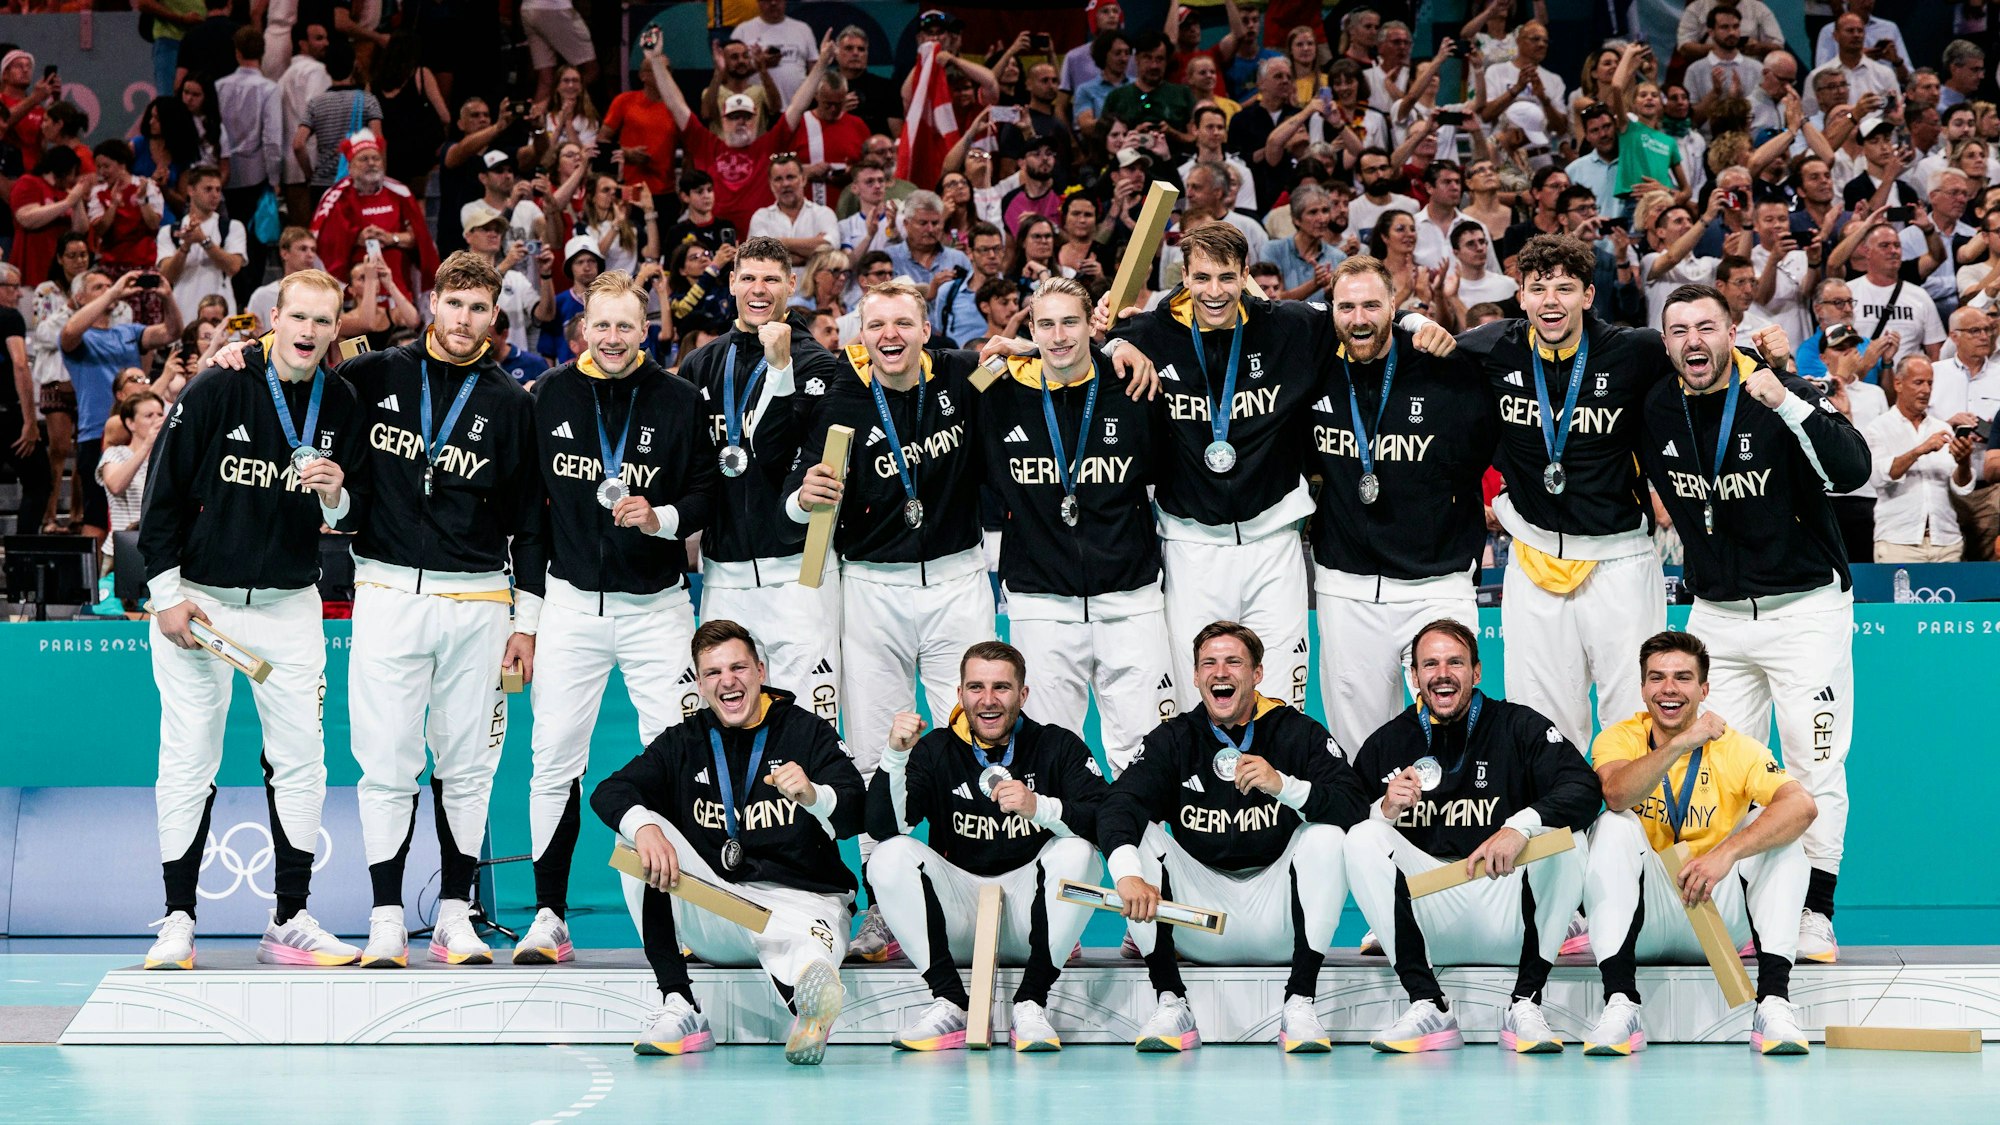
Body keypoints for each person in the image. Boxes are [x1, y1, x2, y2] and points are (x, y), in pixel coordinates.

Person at [216, 252, 546, 966]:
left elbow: (531, 525)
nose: (464, 320)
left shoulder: (514, 404)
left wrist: (529, 623)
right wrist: (245, 353)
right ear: (431, 302)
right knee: (385, 764)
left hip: (481, 599)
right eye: (454, 303)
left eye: (478, 309)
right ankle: (389, 915)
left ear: (496, 318)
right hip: (388, 592)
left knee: (468, 767)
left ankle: (456, 914)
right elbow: (296, 380)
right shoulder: (371, 376)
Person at [137, 269, 363, 972]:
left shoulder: (343, 401)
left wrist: (337, 498)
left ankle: (290, 918)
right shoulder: (219, 384)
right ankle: (177, 919)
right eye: (297, 316)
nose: (308, 330)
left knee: (303, 761)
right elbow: (162, 494)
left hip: (290, 605)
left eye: (323, 321)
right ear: (273, 318)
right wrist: (167, 593)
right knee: (189, 756)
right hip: (199, 605)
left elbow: (344, 519)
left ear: (334, 329)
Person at [1637, 288, 1870, 964]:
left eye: (1706, 326)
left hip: (1805, 610)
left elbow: (1852, 471)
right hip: (1717, 616)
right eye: (1678, 329)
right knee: (1716, 773)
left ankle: (1815, 912)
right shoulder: (1657, 407)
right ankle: (1731, 910)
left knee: (1813, 765)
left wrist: (1789, 398)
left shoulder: (1777, 391)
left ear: (1732, 331)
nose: (1693, 340)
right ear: (1666, 341)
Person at [512, 270, 720, 965]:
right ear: (580, 329)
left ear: (646, 330)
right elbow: (529, 518)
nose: (611, 338)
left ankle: (686, 917)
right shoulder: (547, 396)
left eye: (625, 326)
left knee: (680, 759)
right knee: (552, 761)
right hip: (571, 604)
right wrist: (529, 616)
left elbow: (705, 493)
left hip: (657, 608)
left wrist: (662, 519)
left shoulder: (681, 400)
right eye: (600, 326)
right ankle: (548, 914)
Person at [785, 279, 995, 959]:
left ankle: (981, 889)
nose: (891, 335)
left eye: (904, 321)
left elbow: (1036, 372)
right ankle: (883, 905)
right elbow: (797, 488)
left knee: (973, 739)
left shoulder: (965, 379)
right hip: (871, 589)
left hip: (960, 580)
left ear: (926, 329)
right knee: (879, 753)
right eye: (877, 324)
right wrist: (803, 497)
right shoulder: (838, 397)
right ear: (860, 334)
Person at [590, 618, 865, 1065]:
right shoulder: (685, 741)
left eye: (738, 668)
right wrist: (644, 827)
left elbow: (856, 810)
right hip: (721, 908)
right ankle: (680, 1004)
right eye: (714, 673)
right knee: (636, 846)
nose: (728, 681)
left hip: (804, 900)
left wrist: (815, 796)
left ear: (760, 670)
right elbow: (610, 791)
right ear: (699, 683)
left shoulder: (805, 732)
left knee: (813, 951)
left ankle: (810, 1008)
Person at [1097, 621, 1370, 1053]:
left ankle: (1300, 1000)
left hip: (1279, 917)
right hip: (1199, 919)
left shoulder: (1295, 731)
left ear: (1257, 674)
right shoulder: (1175, 738)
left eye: (1233, 662)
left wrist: (1286, 786)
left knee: (1327, 836)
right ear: (1195, 676)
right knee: (1140, 835)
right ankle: (1171, 999)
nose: (1220, 672)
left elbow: (1356, 807)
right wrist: (1128, 874)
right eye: (1209, 663)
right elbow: (1118, 805)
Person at [1454, 234, 1671, 752]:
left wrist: (1767, 355)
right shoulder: (1491, 346)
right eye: (1538, 288)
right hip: (1532, 558)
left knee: (1633, 718)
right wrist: (1419, 326)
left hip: (1618, 559)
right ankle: (1559, 833)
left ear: (1588, 296)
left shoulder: (1634, 350)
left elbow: (1704, 355)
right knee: (1540, 723)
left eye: (1565, 288)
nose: (1551, 300)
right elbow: (1414, 352)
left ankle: (1634, 835)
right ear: (1521, 296)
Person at [1346, 619, 1602, 1053]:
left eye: (1455, 662)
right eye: (1430, 664)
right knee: (1360, 836)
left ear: (1477, 672)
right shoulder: (1388, 743)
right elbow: (1342, 819)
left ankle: (1526, 1004)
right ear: (1414, 677)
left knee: (1566, 840)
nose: (1442, 674)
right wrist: (1384, 811)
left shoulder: (1517, 727)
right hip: (1428, 914)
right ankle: (1428, 1003)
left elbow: (1584, 789)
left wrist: (1518, 827)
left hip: (1506, 910)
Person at [1104, 224, 1319, 712]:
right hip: (1191, 546)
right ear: (1184, 276)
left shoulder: (1290, 326)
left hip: (1274, 543)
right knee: (1193, 690)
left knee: (1281, 691)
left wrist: (1414, 323)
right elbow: (1075, 353)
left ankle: (1275, 784)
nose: (1215, 292)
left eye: (1227, 277)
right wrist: (1114, 344)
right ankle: (1198, 788)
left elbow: (1359, 318)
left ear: (1246, 275)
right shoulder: (1148, 334)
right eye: (1202, 278)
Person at [866, 641, 1110, 1052]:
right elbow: (883, 826)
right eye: (976, 687)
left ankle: (1031, 1001)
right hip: (961, 918)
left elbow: (1105, 821)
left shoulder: (1056, 745)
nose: (988, 700)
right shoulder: (937, 748)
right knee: (889, 855)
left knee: (1079, 853)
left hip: (1033, 922)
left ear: (1023, 694)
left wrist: (1042, 808)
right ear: (960, 694)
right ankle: (949, 1002)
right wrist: (893, 756)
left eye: (1001, 687)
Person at [1585, 630, 1818, 1056]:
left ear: (1704, 689)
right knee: (1613, 824)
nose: (1668, 689)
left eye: (1682, 678)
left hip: (1715, 908)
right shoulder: (1618, 738)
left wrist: (1726, 853)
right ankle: (1621, 1002)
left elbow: (1801, 806)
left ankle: (1774, 1004)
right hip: (1645, 915)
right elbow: (1617, 792)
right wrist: (1681, 743)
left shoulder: (1737, 748)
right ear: (1642, 688)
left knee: (1782, 838)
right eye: (1656, 678)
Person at [975, 279, 1171, 775]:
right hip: (1040, 603)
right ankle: (1061, 855)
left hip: (1130, 599)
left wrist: (1123, 344)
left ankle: (1140, 855)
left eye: (1069, 322)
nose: (1059, 336)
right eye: (1045, 324)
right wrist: (1016, 351)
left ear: (1091, 326)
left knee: (1141, 752)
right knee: (1049, 758)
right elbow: (933, 382)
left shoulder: (1131, 385)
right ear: (1031, 330)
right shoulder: (997, 391)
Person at [1309, 258, 1495, 754]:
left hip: (1436, 584)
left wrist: (1420, 321)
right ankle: (1372, 832)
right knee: (1361, 746)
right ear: (1330, 311)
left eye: (1372, 304)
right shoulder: (1314, 367)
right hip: (1347, 587)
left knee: (1454, 729)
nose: (1359, 318)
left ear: (1394, 304)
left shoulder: (1441, 366)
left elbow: (1488, 451)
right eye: (1346, 307)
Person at [680, 238, 847, 736]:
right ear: (731, 282)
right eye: (748, 277)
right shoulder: (700, 365)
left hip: (798, 572)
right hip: (724, 572)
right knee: (726, 720)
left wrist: (780, 372)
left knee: (812, 725)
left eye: (772, 279)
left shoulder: (817, 364)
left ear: (791, 285)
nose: (759, 289)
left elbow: (778, 453)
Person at [60, 269, 187, 542]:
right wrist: (114, 292)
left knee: (138, 511)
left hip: (142, 432)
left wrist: (167, 297)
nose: (110, 289)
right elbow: (69, 331)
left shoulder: (128, 331)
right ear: (79, 297)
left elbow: (172, 331)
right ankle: (94, 584)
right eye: (99, 287)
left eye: (110, 285)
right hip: (97, 433)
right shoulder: (81, 335)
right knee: (96, 518)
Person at [1863, 357, 1977, 562]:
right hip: (1898, 543)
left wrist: (1964, 462)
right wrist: (1920, 450)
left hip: (1946, 542)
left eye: (1930, 383)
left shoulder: (1942, 428)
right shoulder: (1878, 428)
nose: (1925, 390)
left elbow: (1962, 487)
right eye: (1918, 382)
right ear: (1898, 383)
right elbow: (1879, 477)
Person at [308, 130, 440, 299]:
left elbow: (419, 238)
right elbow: (324, 240)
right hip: (354, 279)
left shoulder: (400, 193)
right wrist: (356, 236)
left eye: (375, 158)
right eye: (364, 159)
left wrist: (391, 238)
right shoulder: (336, 197)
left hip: (396, 278)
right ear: (350, 166)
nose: (371, 163)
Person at [156, 166, 247, 320]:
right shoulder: (168, 232)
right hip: (183, 312)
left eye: (218, 190)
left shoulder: (232, 227)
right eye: (208, 189)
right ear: (191, 190)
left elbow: (233, 267)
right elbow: (167, 276)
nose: (215, 195)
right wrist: (185, 245)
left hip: (222, 313)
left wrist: (203, 241)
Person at [731, 0, 820, 102]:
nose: (773, 3)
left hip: (797, 106)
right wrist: (759, 65)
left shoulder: (803, 29)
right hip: (757, 108)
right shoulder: (742, 31)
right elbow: (730, 76)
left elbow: (815, 69)